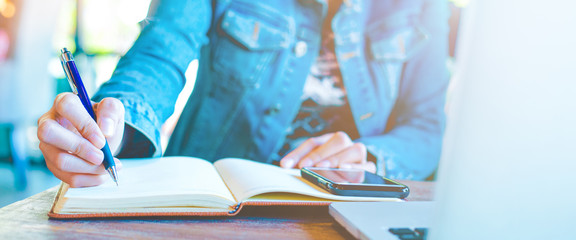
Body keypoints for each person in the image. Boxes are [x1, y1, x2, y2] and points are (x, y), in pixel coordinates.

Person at [37, 0, 449, 187]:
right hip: (211, 208)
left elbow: (427, 126)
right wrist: (115, 122)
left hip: (347, 209)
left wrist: (370, 155)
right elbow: (158, 57)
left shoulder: (425, 6)